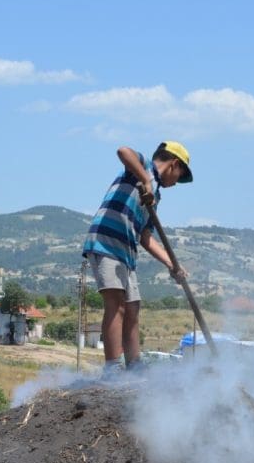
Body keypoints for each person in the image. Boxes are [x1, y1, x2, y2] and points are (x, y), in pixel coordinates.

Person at [82, 141, 193, 375]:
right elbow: (123, 151)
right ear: (174, 164)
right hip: (106, 242)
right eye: (180, 176)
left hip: (127, 252)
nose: (176, 183)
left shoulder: (155, 198)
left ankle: (135, 367)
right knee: (116, 304)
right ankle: (112, 369)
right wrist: (146, 180)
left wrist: (172, 264)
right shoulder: (143, 166)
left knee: (133, 308)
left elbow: (146, 237)